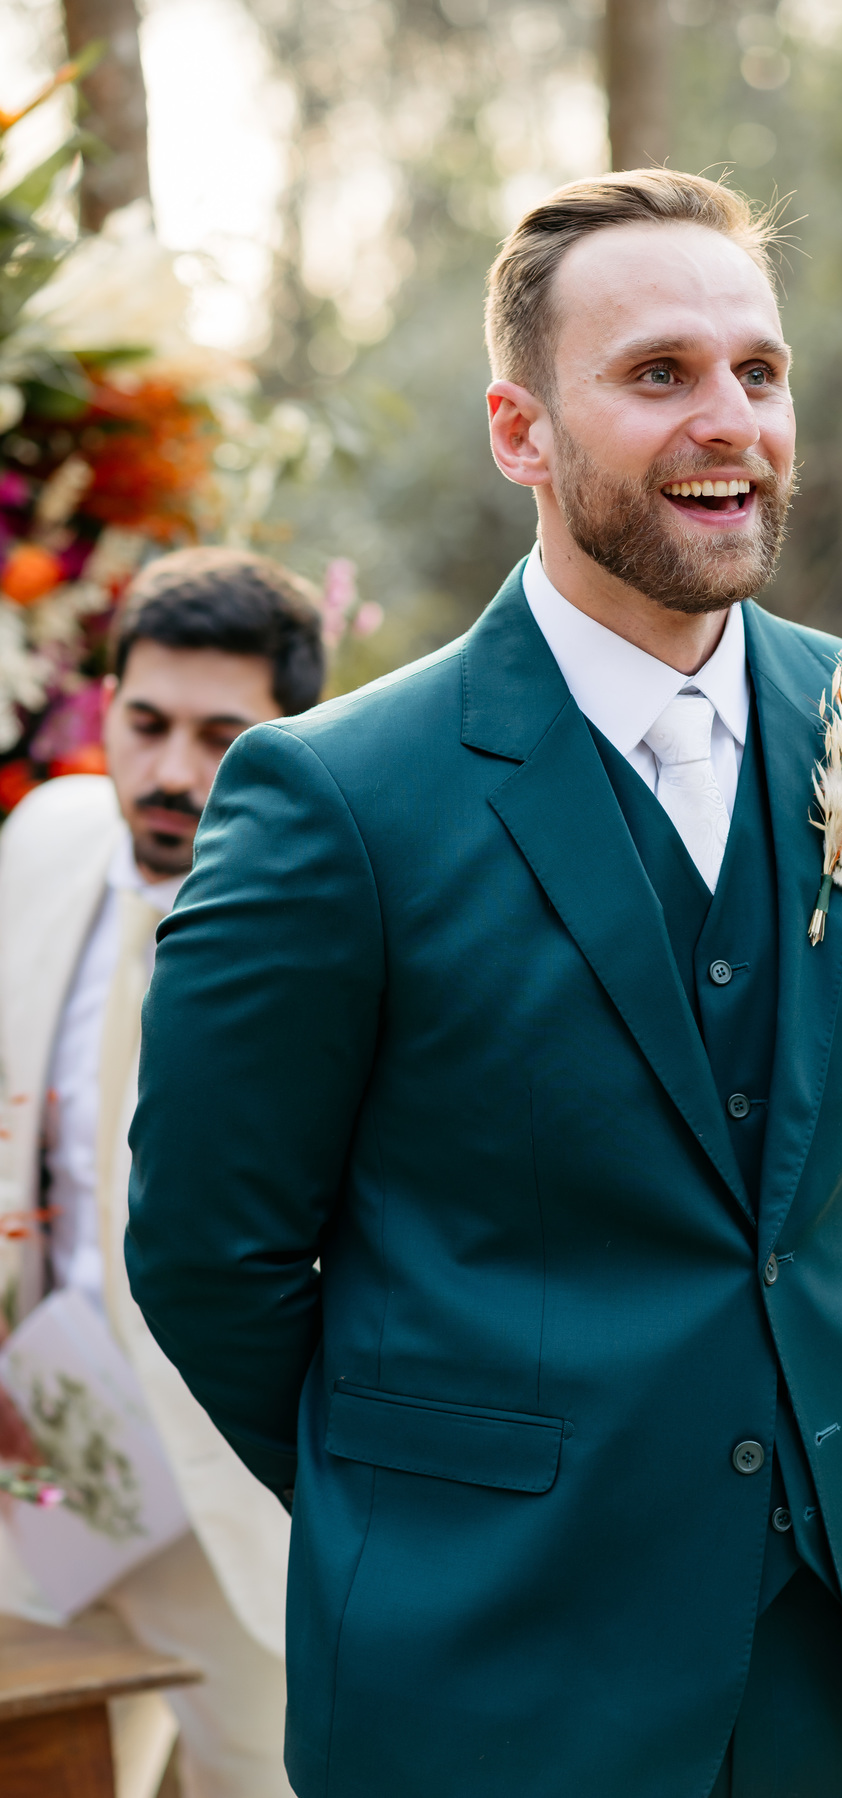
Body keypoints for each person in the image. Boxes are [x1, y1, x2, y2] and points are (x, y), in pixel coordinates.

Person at [126, 173, 842, 1798]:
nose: (730, 420)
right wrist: (422, 1501)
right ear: (519, 431)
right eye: (658, 373)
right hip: (488, 1678)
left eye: (759, 370)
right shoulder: (334, 798)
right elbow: (207, 1249)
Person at [0, 547, 325, 1798]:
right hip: (49, 1460)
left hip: (243, 1496)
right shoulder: (44, 836)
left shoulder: (345, 918)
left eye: (221, 735)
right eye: (146, 724)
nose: (175, 770)